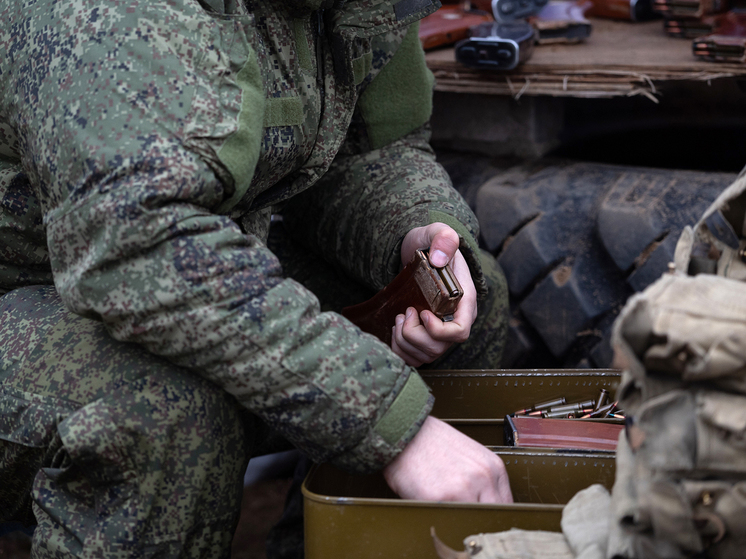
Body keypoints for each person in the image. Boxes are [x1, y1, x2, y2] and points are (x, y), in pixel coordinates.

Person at [0, 0, 512, 556]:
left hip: (198, 247)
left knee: (465, 299)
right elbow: (141, 246)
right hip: (48, 280)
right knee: (162, 410)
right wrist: (391, 425)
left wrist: (416, 232)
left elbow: (372, 152)